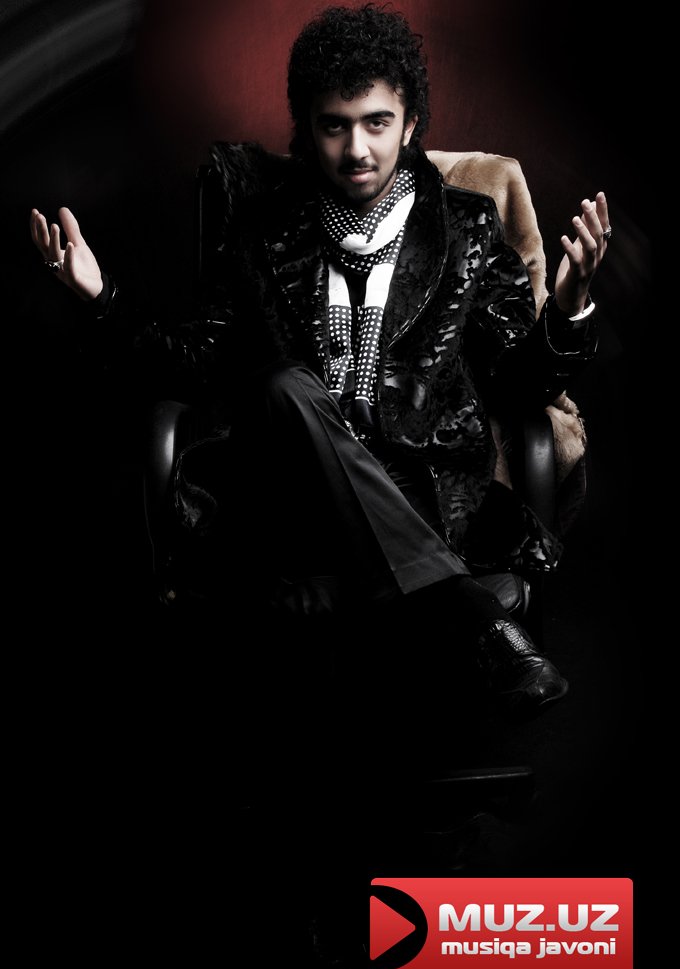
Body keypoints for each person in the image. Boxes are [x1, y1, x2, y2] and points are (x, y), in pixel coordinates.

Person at [29, 3, 608, 717]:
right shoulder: (262, 230)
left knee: (311, 427)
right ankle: (468, 610)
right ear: (308, 128)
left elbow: (517, 385)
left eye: (377, 123)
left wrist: (569, 308)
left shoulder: (467, 228)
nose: (357, 149)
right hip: (288, 500)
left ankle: (392, 596)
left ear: (409, 123)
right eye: (335, 125)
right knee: (284, 387)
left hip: (421, 495)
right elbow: (194, 366)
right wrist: (100, 298)